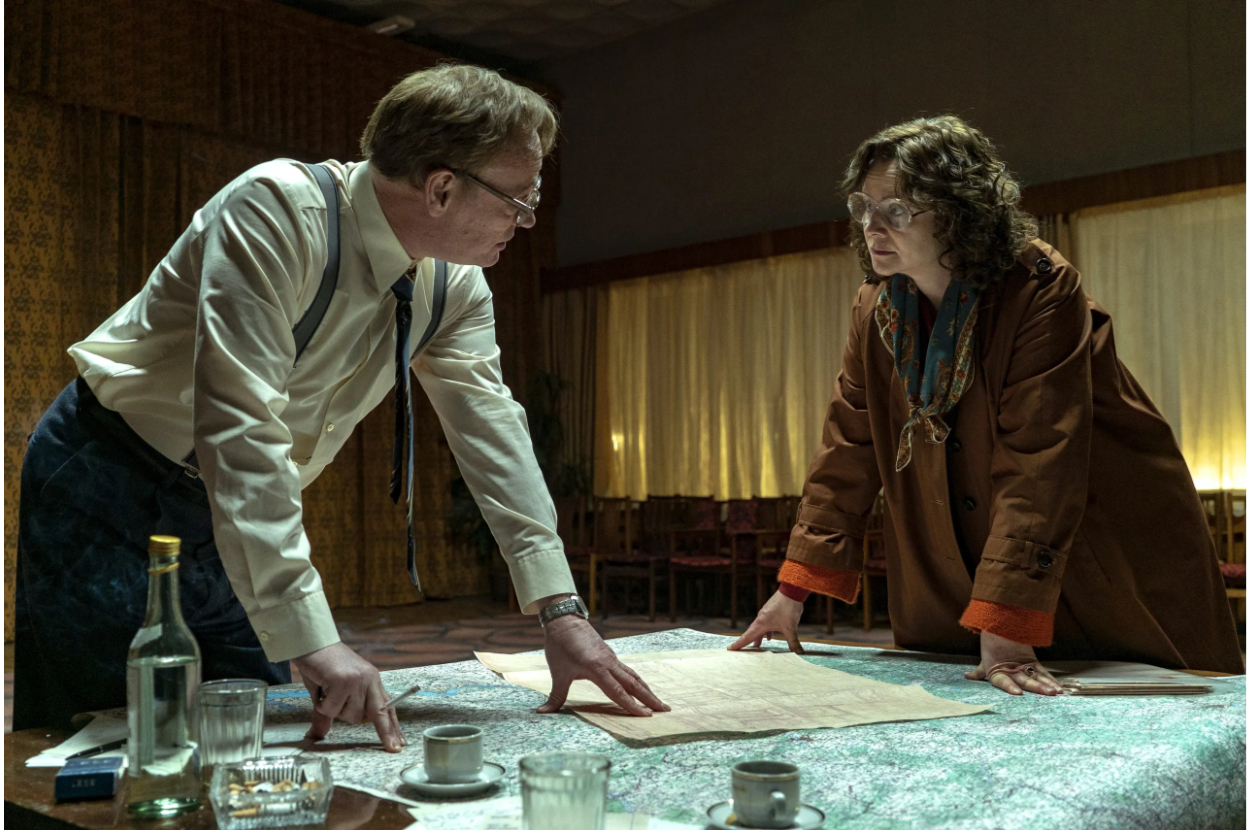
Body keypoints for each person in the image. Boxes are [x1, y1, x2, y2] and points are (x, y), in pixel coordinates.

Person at [15, 64, 667, 743]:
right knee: (103, 738)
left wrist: (560, 611)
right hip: (108, 476)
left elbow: (493, 433)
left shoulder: (456, 285)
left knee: (247, 736)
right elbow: (240, 431)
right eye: (519, 201)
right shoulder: (275, 212)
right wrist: (313, 638)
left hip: (228, 510)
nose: (525, 222)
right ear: (442, 188)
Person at [731, 115, 1243, 693]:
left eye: (896, 209)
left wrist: (1005, 621)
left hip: (1097, 543)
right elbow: (848, 446)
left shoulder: (1041, 288)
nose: (873, 226)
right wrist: (791, 591)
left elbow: (1040, 460)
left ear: (957, 212)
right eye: (863, 206)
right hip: (961, 550)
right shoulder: (875, 306)